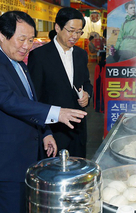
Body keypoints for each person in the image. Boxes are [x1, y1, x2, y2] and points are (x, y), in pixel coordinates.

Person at [0, 11, 87, 213]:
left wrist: (45, 133)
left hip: (26, 158)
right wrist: (57, 112)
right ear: (2, 36)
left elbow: (30, 99)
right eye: (21, 39)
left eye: (30, 40)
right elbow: (9, 101)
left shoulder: (19, 63)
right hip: (5, 163)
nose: (27, 46)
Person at [28, 7, 93, 158]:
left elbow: (86, 83)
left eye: (79, 31)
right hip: (53, 133)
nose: (75, 36)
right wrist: (44, 131)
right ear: (57, 27)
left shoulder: (81, 55)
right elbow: (35, 98)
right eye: (71, 30)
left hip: (78, 130)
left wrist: (87, 95)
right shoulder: (39, 56)